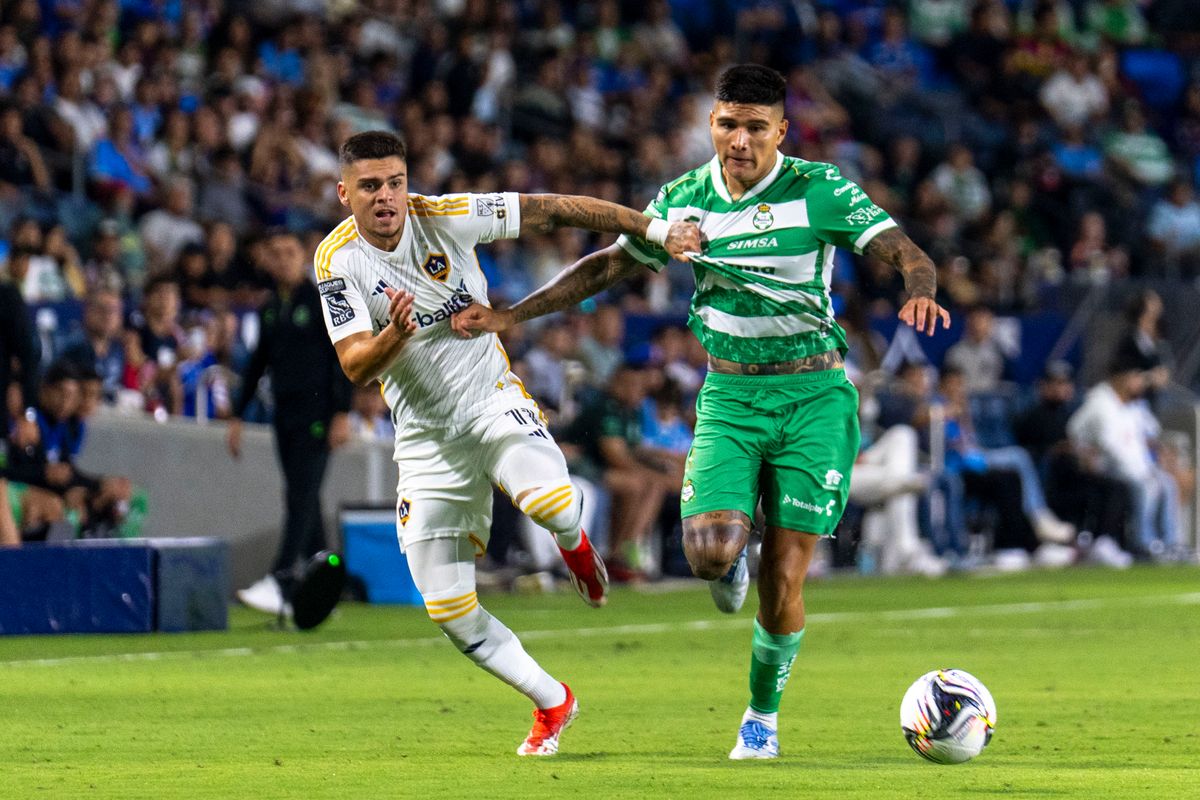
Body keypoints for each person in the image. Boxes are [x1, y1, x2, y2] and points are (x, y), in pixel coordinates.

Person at [452, 64, 952, 759]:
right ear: (711, 123)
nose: (739, 139)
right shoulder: (684, 199)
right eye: (727, 123)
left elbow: (906, 253)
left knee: (783, 582)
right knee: (710, 555)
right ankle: (730, 560)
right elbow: (606, 266)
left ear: (782, 129)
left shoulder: (820, 189)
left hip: (813, 396)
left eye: (755, 126)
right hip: (730, 396)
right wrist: (513, 314)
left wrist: (917, 289)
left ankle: (761, 719)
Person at [315, 131, 700, 757]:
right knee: (447, 609)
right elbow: (357, 365)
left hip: (491, 403)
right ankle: (553, 701)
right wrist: (395, 334)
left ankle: (574, 544)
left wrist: (655, 231)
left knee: (550, 503)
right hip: (424, 441)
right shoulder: (335, 262)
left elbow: (556, 208)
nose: (385, 197)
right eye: (369, 186)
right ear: (344, 193)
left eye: (394, 182)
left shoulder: (446, 217)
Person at [227, 230, 354, 616]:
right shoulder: (270, 307)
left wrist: (342, 413)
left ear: (304, 256)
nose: (282, 259)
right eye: (275, 252)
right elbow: (258, 363)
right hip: (285, 416)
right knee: (305, 498)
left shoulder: (321, 302)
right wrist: (238, 414)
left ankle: (281, 581)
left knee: (299, 497)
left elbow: (343, 358)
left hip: (317, 416)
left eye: (289, 252)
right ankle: (324, 588)